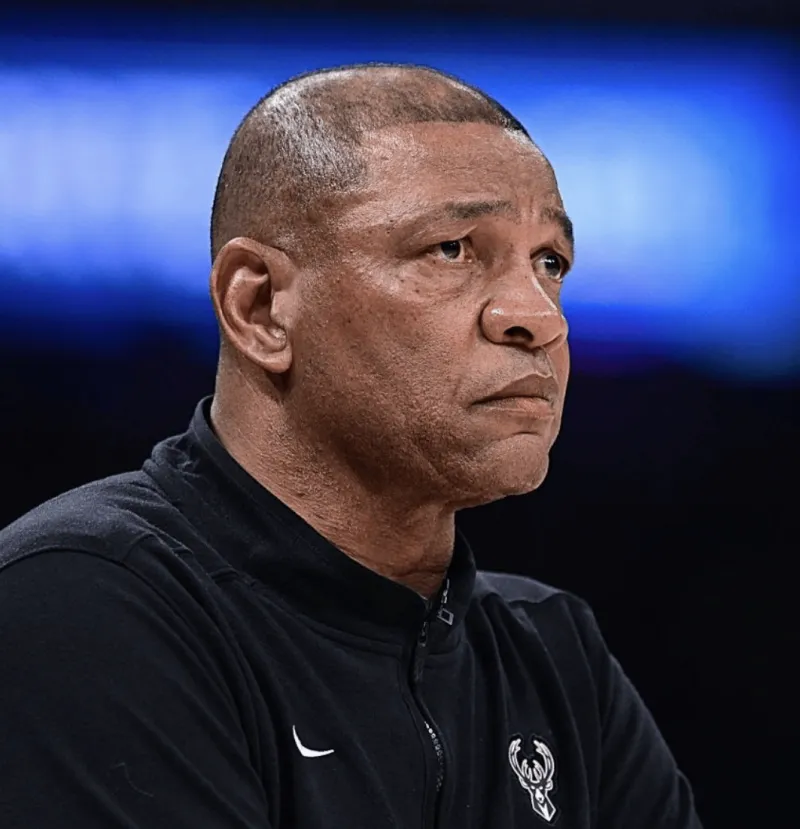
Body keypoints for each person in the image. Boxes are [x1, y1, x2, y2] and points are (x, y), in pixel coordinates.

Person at [0, 64, 703, 828]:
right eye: (451, 249)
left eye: (550, 263)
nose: (539, 316)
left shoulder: (555, 657)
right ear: (260, 306)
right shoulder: (82, 602)